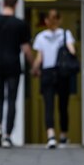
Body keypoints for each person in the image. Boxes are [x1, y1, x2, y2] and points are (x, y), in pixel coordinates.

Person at [0, 0, 34, 148]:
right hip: (13, 66)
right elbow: (26, 49)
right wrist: (34, 66)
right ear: (16, 5)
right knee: (11, 99)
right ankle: (8, 137)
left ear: (3, 3)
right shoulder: (20, 24)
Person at [32, 9, 76, 149]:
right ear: (59, 20)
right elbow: (72, 51)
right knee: (63, 105)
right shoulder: (65, 34)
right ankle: (63, 136)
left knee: (48, 105)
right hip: (62, 72)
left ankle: (51, 136)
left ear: (46, 21)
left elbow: (39, 57)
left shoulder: (41, 36)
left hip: (47, 72)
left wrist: (34, 68)